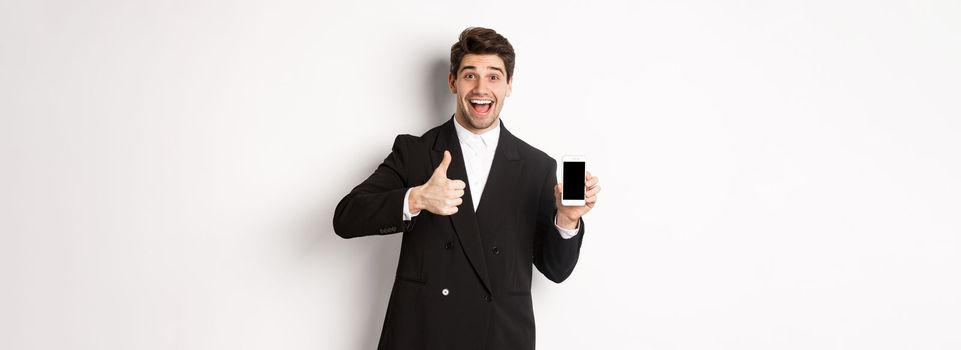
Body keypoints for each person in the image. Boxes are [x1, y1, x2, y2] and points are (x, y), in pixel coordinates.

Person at [333, 27, 601, 350]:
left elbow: (556, 270)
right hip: (422, 335)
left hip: (500, 339)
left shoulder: (536, 166)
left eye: (493, 77)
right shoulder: (415, 152)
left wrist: (568, 219)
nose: (481, 88)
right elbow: (345, 217)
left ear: (509, 85)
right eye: (470, 75)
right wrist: (415, 198)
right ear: (452, 82)